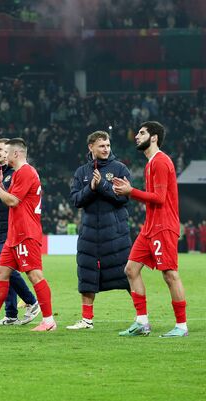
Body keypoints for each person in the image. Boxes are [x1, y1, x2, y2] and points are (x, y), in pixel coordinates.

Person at [0, 138, 55, 332]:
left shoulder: (25, 172)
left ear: (15, 153)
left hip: (26, 232)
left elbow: (12, 201)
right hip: (14, 234)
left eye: (6, 152)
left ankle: (48, 320)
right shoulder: (18, 174)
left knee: (35, 275)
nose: (3, 155)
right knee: (1, 273)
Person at [113, 121, 188, 337]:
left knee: (170, 274)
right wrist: (130, 191)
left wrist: (130, 191)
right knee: (130, 269)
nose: (136, 136)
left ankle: (181, 326)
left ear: (153, 137)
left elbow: (160, 198)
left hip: (163, 226)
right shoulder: (150, 164)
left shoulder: (161, 162)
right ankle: (142, 322)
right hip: (150, 226)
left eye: (142, 132)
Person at [67, 131, 131, 330]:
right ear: (91, 147)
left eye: (108, 145)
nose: (106, 149)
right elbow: (76, 200)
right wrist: (91, 188)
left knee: (129, 275)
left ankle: (142, 317)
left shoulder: (120, 168)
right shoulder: (81, 172)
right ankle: (87, 320)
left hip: (116, 233)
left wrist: (102, 184)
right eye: (102, 146)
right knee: (86, 274)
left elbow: (124, 197)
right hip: (89, 234)